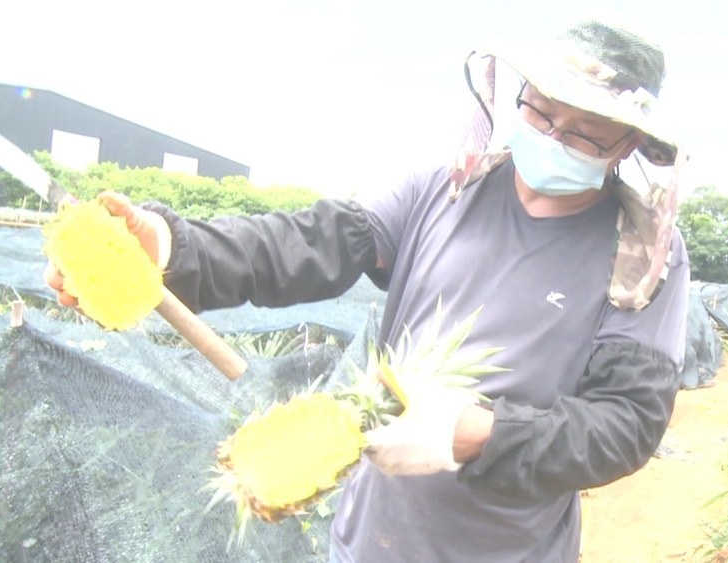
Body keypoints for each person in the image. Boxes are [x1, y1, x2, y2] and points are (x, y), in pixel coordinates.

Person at [45, 12, 691, 562]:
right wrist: (168, 245)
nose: (551, 138)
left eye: (581, 133)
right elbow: (311, 240)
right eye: (540, 112)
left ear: (628, 141)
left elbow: (625, 423)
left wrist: (473, 434)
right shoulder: (444, 190)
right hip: (364, 541)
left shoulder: (641, 256)